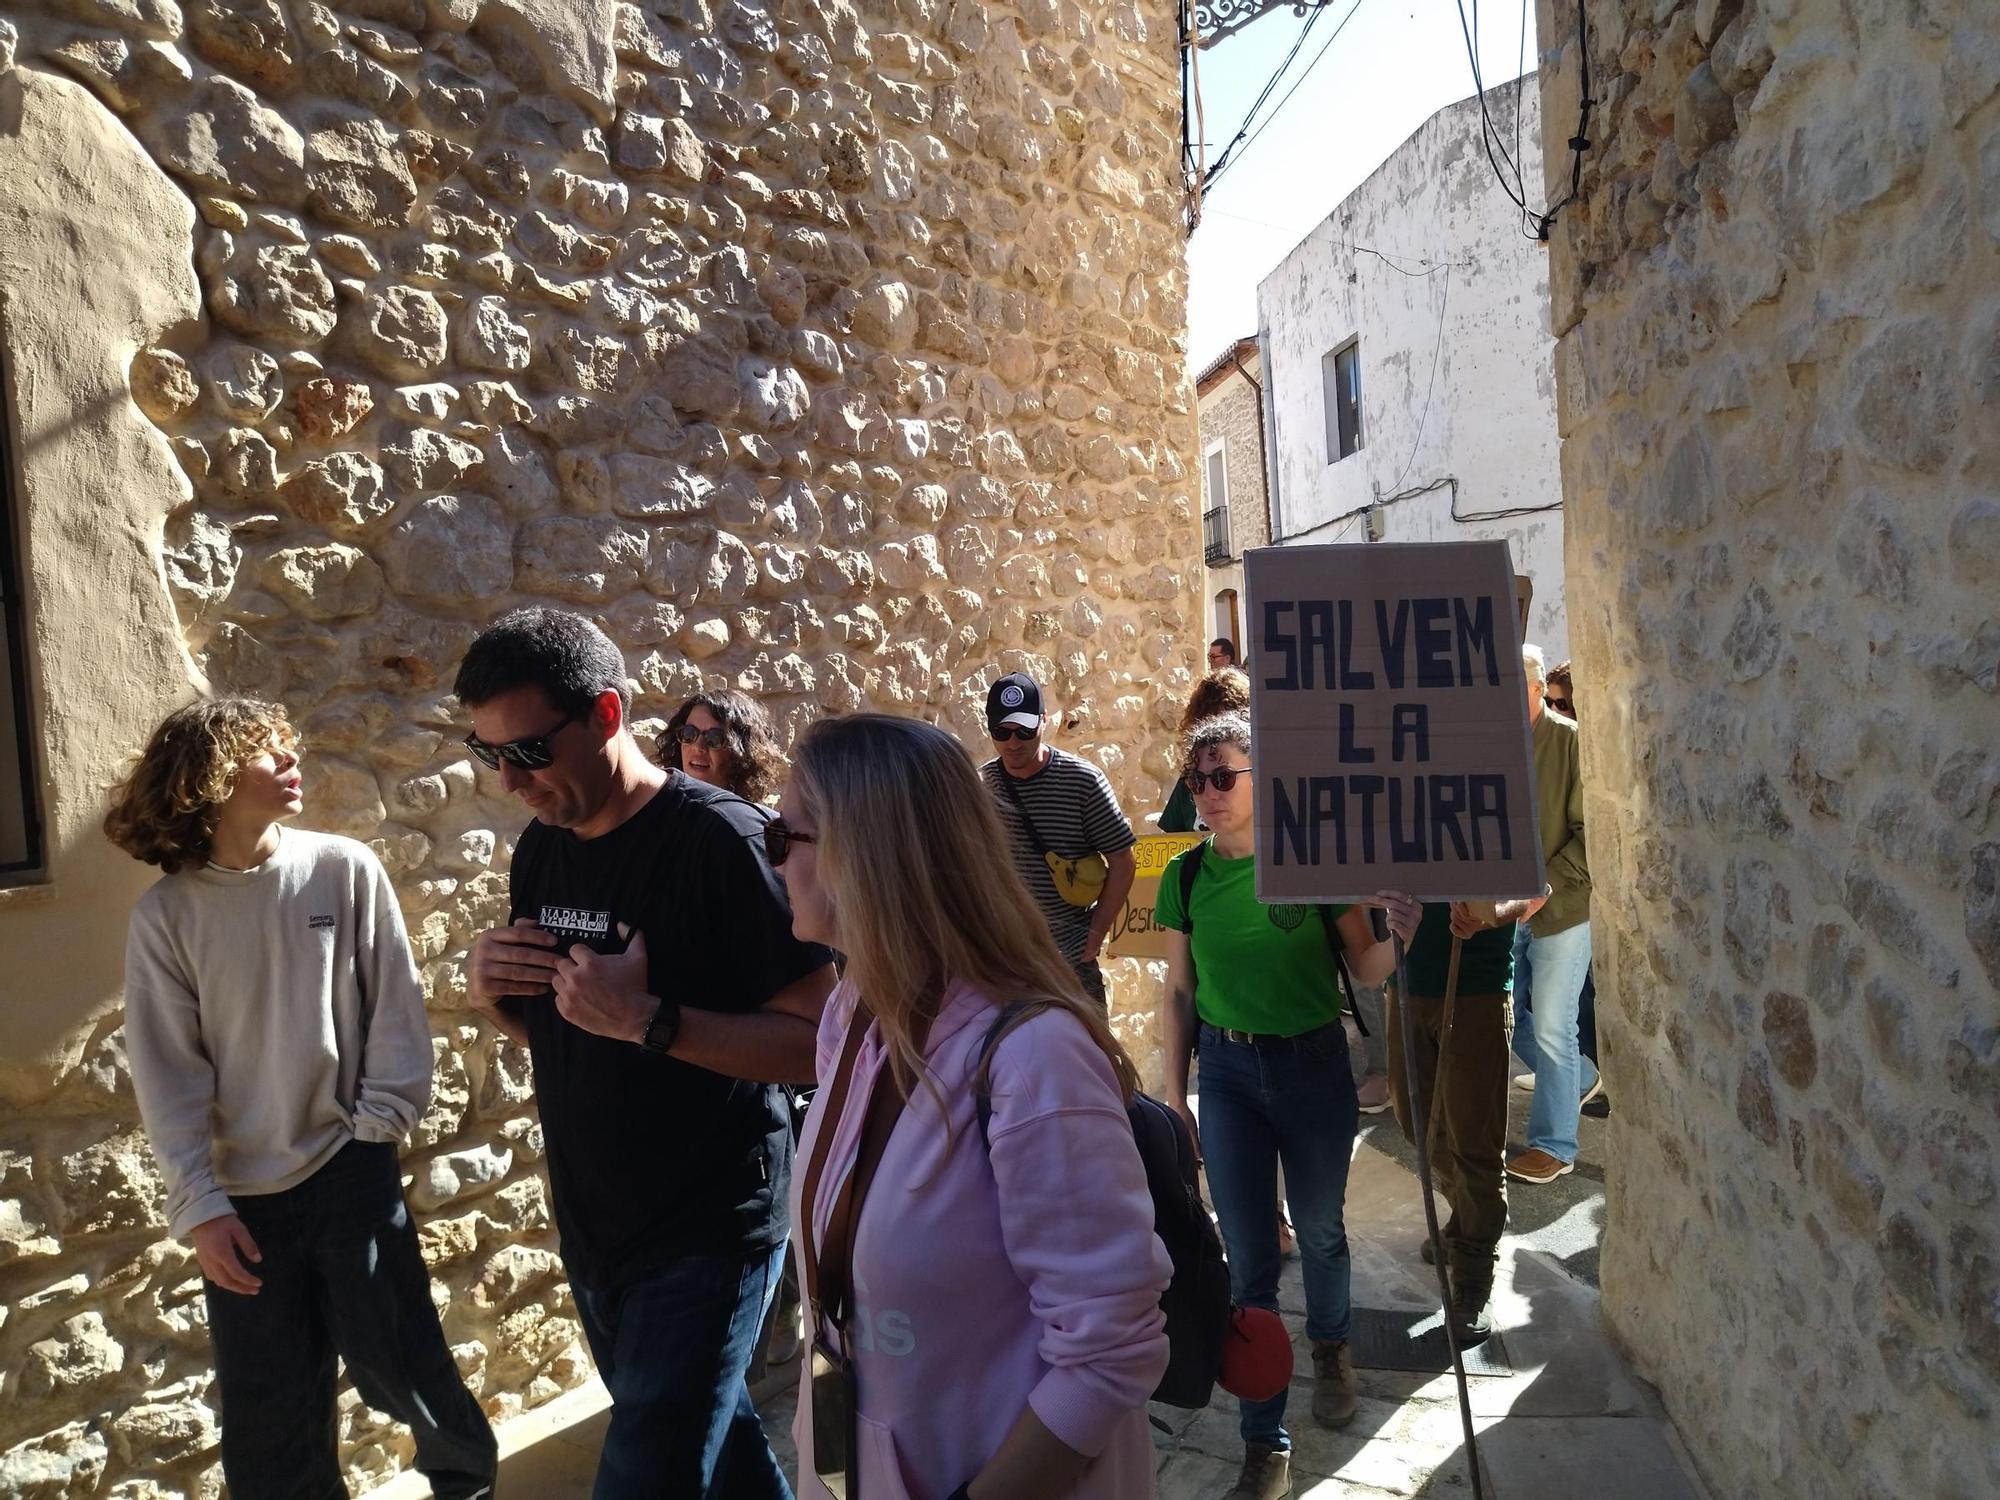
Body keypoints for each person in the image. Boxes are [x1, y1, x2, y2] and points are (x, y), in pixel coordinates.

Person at [455, 609, 837, 1499]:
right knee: (724, 1457)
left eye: (530, 752)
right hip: (599, 1227)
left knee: (644, 1478)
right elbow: (572, 1028)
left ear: (607, 715)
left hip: (710, 1226)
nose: (512, 782)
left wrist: (649, 1020)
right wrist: (499, 999)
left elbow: (823, 1044)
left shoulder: (723, 843)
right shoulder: (542, 850)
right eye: (490, 756)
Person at [107, 699, 495, 1500]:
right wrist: (201, 1205)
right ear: (209, 780)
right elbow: (168, 1073)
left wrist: (374, 1132)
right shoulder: (167, 917)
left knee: (406, 1367)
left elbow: (394, 1005)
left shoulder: (342, 869)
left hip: (347, 1169)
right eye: (268, 752)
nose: (293, 762)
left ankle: (469, 1487)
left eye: (290, 745)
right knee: (270, 1412)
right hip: (241, 1209)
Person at [777, 713, 1172, 1500]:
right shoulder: (856, 1012)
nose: (772, 863)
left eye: (781, 839)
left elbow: (1109, 1350)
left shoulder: (1035, 1062)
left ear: (860, 855)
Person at [1156, 712, 1420, 1500]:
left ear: (1261, 779)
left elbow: (1367, 970)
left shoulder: (1310, 863)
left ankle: (1333, 1347)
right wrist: (1176, 1095)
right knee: (1250, 1261)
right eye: (1197, 780)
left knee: (1323, 1227)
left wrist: (1399, 935)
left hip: (1311, 1069)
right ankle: (1264, 1444)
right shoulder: (1186, 876)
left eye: (1223, 775)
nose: (1208, 793)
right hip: (1230, 1074)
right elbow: (1178, 991)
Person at [1384, 896, 1535, 1345]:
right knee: (1417, 1123)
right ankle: (1466, 1216)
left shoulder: (1500, 821)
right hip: (1406, 983)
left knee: (1475, 1143)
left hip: (1478, 991)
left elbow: (1534, 890)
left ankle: (1473, 1274)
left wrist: (1489, 913)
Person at [979, 671, 1136, 1008]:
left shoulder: (1083, 781)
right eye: (1001, 732)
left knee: (1087, 1056)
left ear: (1044, 721)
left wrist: (1094, 937)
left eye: (1024, 730)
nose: (1013, 742)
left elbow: (1122, 860)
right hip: (1006, 964)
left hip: (1070, 964)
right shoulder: (983, 785)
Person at [1507, 645, 1597, 1184]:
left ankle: (1555, 1146)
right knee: (1518, 1027)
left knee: (1554, 1031)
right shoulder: (1493, 745)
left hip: (1561, 907)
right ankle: (1580, 1077)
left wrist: (1544, 887)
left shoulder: (1572, 742)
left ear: (1539, 689)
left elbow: (1594, 838)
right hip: (1506, 908)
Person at [1156, 667, 1249, 835]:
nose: (1217, 733)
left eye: (1225, 778)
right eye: (1208, 722)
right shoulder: (1191, 781)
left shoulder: (1261, 781)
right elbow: (1171, 841)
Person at [661, 688, 786, 807]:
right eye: (689, 734)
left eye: (714, 738)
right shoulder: (658, 811)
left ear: (741, 751)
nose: (698, 747)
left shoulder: (748, 824)